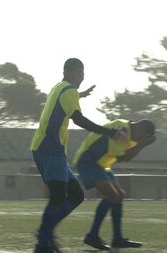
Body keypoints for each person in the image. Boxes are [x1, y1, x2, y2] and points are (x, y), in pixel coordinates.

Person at [30, 58, 128, 253]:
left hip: (48, 149)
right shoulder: (68, 91)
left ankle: (45, 233)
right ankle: (43, 242)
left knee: (76, 195)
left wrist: (80, 95)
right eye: (80, 73)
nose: (82, 78)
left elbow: (64, 104)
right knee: (58, 198)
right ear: (70, 72)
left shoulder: (60, 88)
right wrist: (110, 132)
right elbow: (79, 120)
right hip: (50, 149)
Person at [74, 119, 156, 250]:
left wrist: (140, 144)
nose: (140, 138)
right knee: (112, 195)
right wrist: (141, 144)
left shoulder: (130, 134)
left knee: (119, 196)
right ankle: (92, 236)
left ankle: (117, 238)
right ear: (140, 129)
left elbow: (126, 158)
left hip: (102, 164)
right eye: (144, 136)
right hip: (89, 161)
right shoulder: (122, 130)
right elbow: (121, 158)